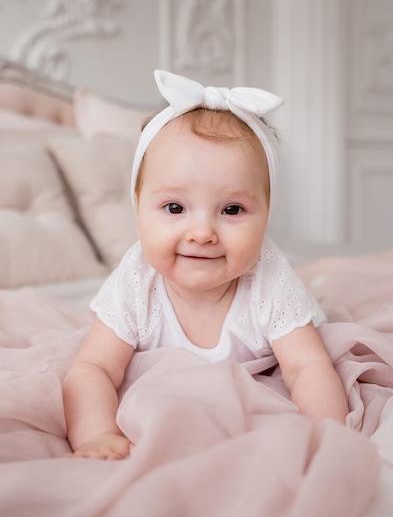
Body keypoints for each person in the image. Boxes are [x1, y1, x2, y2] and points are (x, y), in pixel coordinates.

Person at [63, 70, 349, 460]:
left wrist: (322, 436)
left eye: (232, 209)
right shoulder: (136, 281)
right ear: (137, 208)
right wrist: (96, 434)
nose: (201, 233)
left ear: (267, 215)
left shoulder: (268, 277)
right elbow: (93, 368)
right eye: (174, 207)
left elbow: (307, 367)